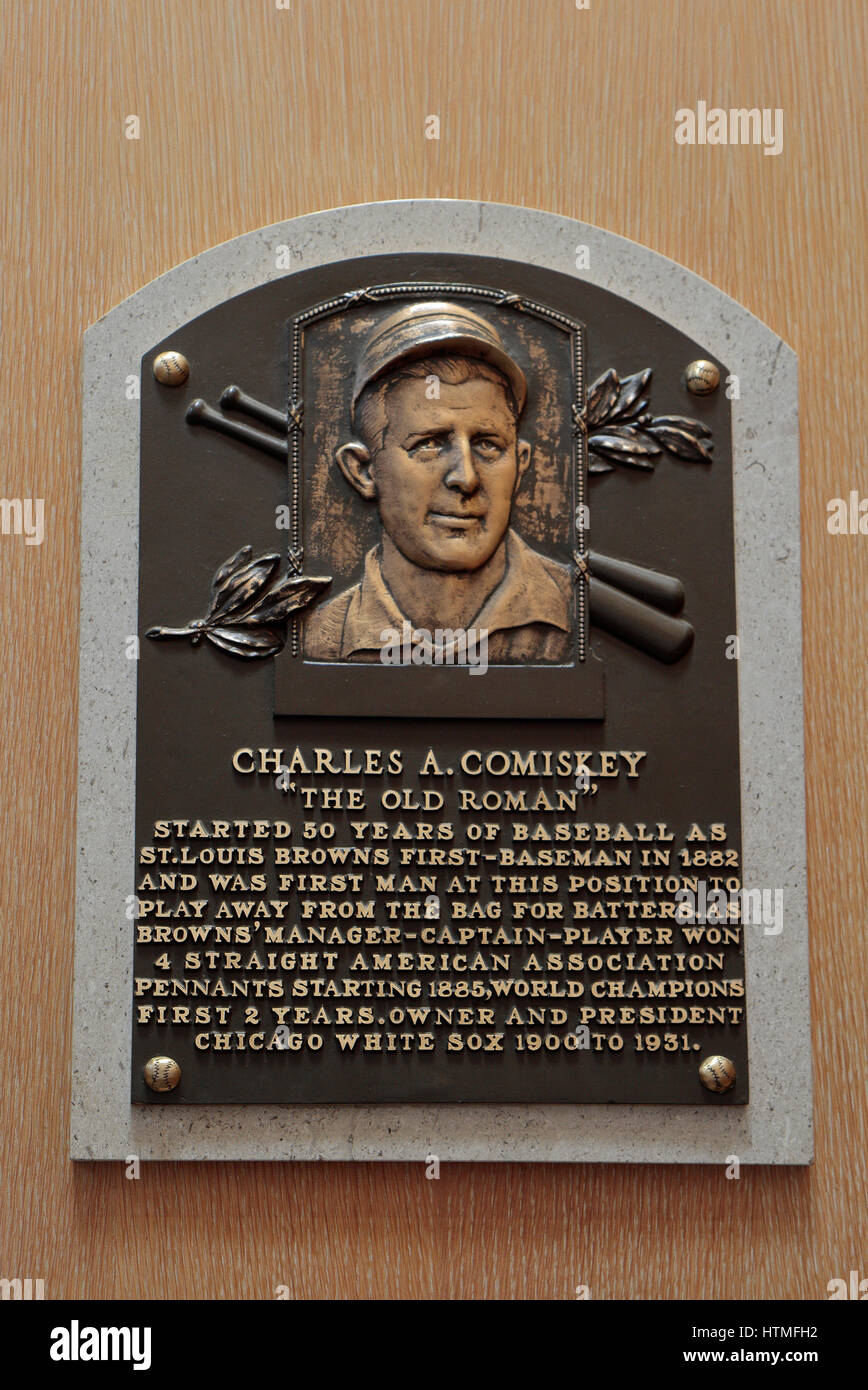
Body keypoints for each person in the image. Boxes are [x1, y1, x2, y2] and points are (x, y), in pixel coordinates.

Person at [304, 301, 573, 663]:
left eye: (488, 445)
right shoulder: (319, 640)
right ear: (363, 471)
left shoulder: (582, 613)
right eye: (428, 444)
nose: (466, 477)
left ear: (521, 465)